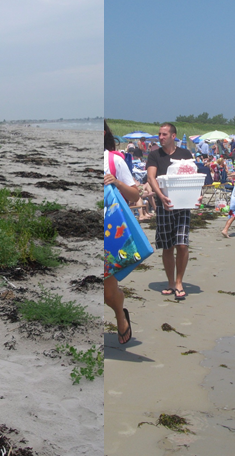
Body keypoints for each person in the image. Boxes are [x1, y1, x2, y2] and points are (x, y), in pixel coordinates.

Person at [146, 122, 194, 301]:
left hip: (183, 205)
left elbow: (192, 178)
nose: (160, 137)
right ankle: (170, 282)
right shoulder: (154, 155)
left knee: (182, 244)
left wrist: (198, 197)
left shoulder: (185, 154)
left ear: (173, 136)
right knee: (167, 246)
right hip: (164, 205)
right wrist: (160, 196)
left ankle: (180, 282)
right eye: (159, 134)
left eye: (164, 134)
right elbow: (151, 177)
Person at [103, 121, 140, 344]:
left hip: (109, 232)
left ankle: (119, 313)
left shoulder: (114, 160)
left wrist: (116, 182)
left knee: (107, 292)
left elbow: (135, 195)